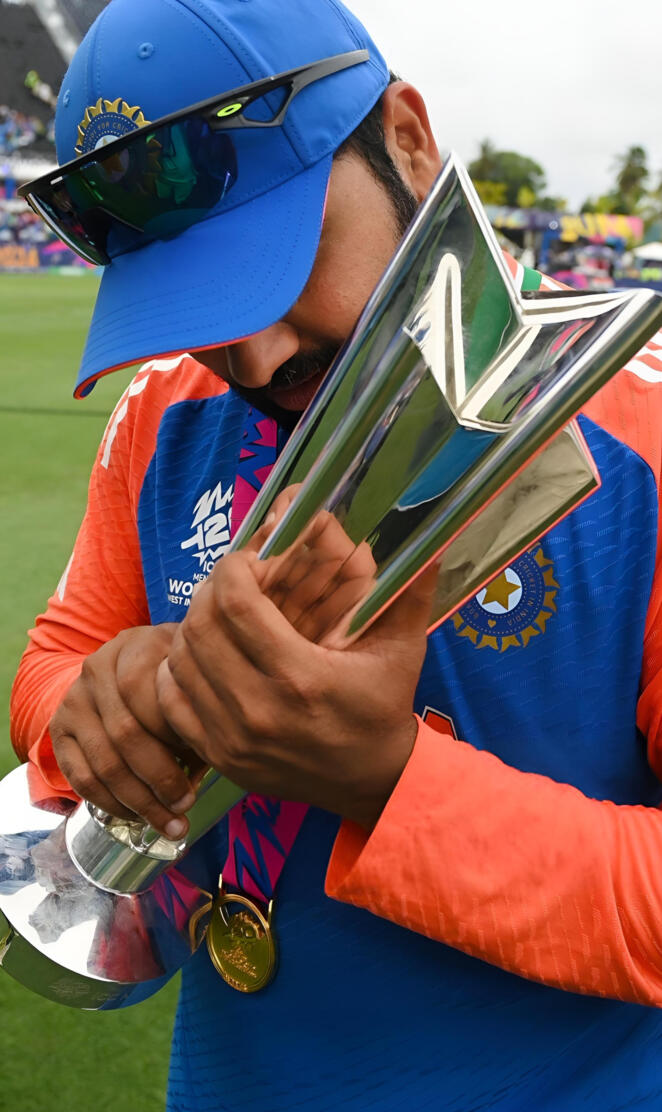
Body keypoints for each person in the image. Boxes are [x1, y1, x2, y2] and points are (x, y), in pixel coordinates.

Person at [10, 0, 662, 1108]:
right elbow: (58, 657)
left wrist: (389, 782)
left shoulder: (638, 443)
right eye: (194, 296)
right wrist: (104, 703)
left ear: (407, 136)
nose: (252, 351)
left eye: (283, 252)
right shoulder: (160, 412)